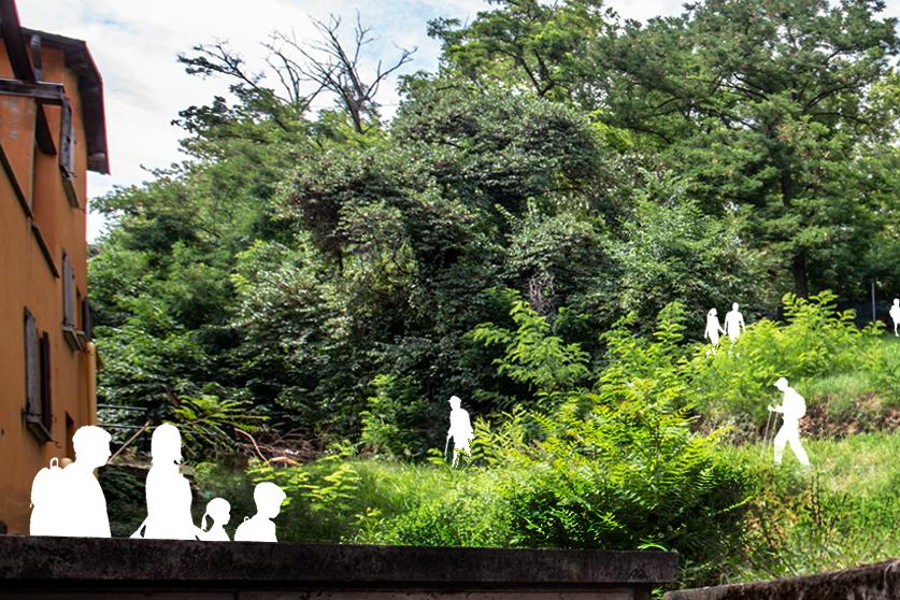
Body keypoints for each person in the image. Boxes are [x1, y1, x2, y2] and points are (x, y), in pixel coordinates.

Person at [30, 425, 112, 537]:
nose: (109, 453)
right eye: (105, 448)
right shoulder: (77, 479)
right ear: (91, 448)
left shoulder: (85, 478)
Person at [132, 424, 202, 540]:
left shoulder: (169, 471)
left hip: (176, 534)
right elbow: (163, 512)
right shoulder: (161, 472)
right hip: (168, 535)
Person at [769, 377, 810, 467]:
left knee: (794, 445)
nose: (778, 388)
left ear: (782, 385)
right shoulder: (789, 393)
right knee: (779, 442)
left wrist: (774, 409)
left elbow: (786, 409)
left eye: (778, 385)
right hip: (788, 423)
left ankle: (806, 466)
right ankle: (777, 465)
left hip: (790, 423)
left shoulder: (789, 393)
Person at [446, 395, 474, 467]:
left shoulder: (463, 413)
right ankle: (455, 466)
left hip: (465, 434)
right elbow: (453, 425)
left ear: (457, 404)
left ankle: (469, 466)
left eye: (452, 403)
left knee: (467, 451)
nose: (451, 405)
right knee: (456, 451)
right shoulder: (452, 413)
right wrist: (449, 433)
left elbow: (466, 425)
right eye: (451, 403)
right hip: (458, 435)